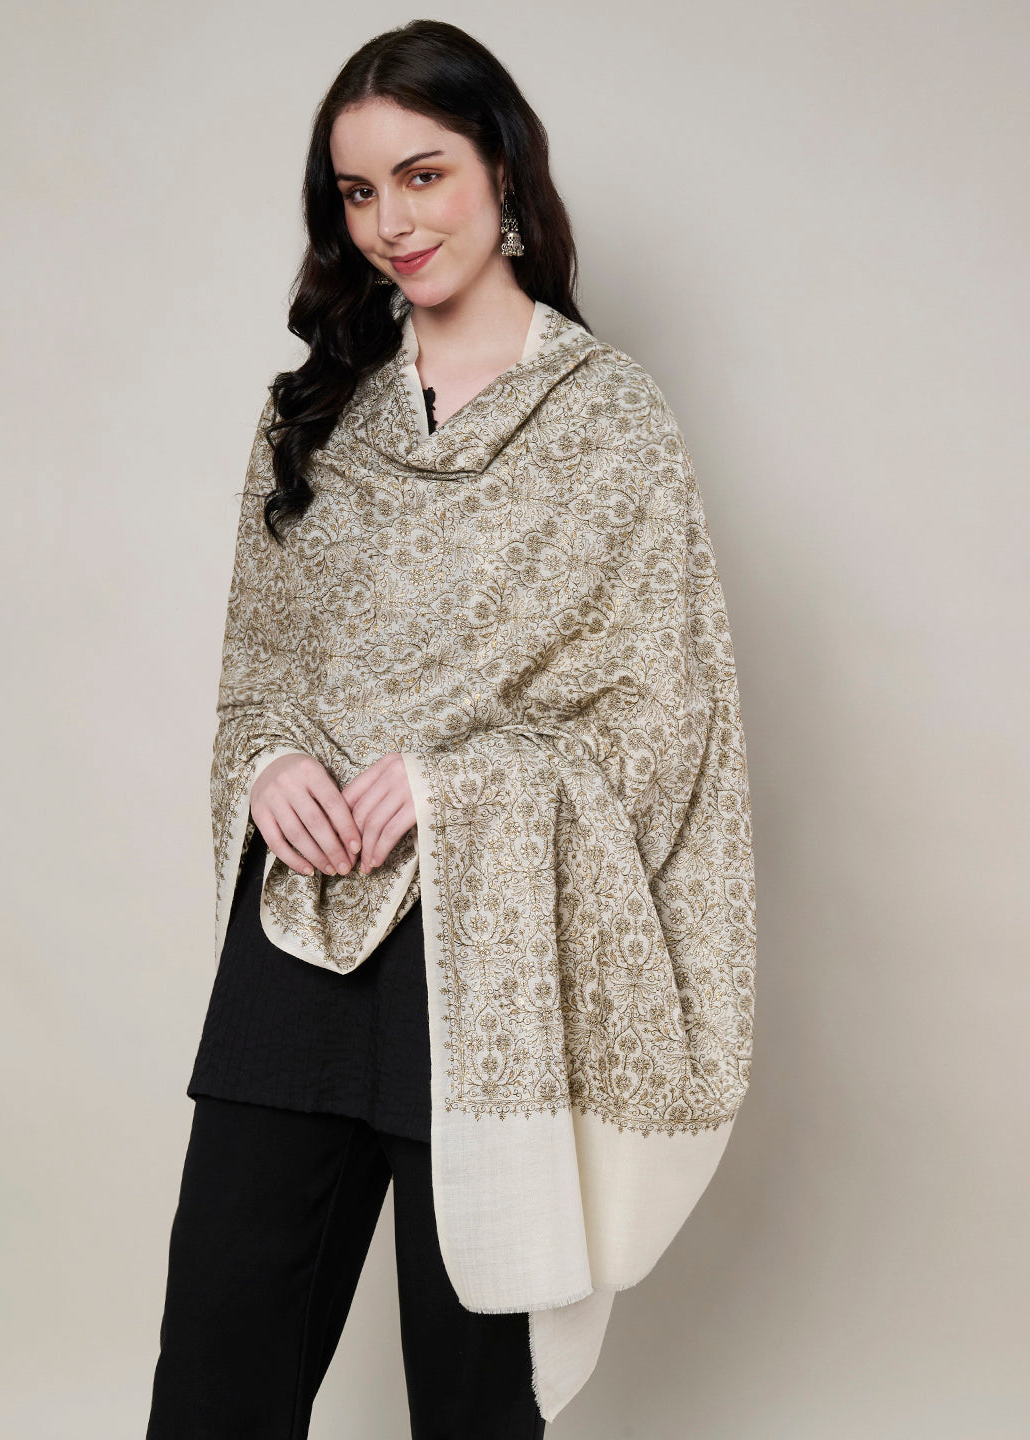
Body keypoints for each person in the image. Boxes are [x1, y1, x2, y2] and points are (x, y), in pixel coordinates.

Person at [146, 16, 756, 1439]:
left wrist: (454, 787)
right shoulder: (312, 417)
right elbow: (257, 677)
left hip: (494, 950)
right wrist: (268, 766)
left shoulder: (608, 425)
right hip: (302, 926)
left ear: (502, 167)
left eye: (422, 176)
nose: (392, 224)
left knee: (476, 1400)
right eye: (359, 192)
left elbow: (662, 728)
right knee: (217, 1375)